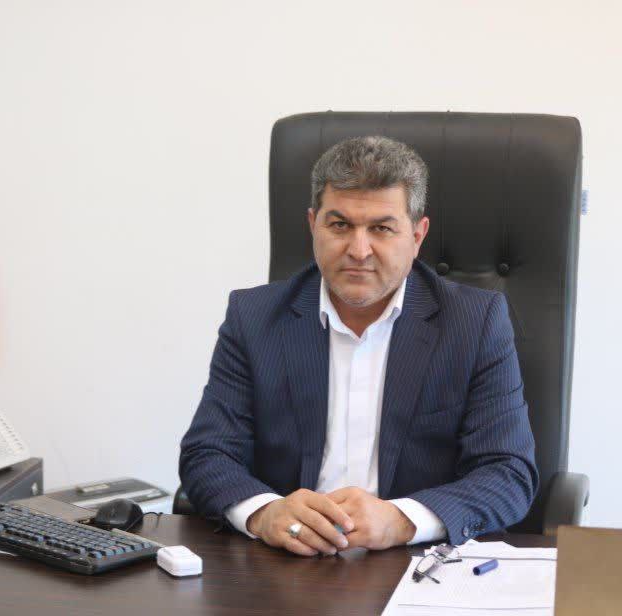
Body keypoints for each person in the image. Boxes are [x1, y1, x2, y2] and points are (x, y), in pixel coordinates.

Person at [179, 136, 538, 555]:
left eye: (381, 228)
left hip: (416, 564)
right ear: (313, 225)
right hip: (285, 560)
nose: (359, 250)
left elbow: (508, 473)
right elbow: (208, 453)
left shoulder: (474, 323)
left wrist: (402, 520)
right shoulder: (254, 317)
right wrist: (264, 512)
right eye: (340, 226)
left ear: (417, 235)